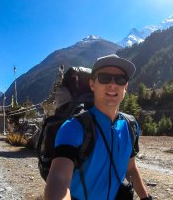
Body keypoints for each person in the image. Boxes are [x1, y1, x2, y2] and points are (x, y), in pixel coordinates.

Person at [44, 54, 152, 200]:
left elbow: (130, 168)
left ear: (125, 87)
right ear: (92, 84)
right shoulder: (74, 127)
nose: (113, 84)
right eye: (104, 77)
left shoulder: (130, 126)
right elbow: (59, 180)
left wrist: (146, 198)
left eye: (120, 79)